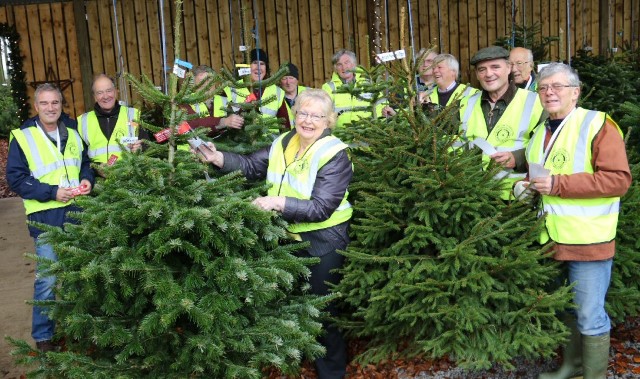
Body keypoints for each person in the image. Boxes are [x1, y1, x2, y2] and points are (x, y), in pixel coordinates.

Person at [194, 89, 352, 379]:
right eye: (302, 113)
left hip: (324, 241)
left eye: (316, 116)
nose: (307, 120)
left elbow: (321, 208)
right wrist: (218, 159)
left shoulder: (334, 153)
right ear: (294, 115)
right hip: (287, 237)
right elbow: (253, 165)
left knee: (322, 312)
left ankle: (332, 372)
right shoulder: (284, 141)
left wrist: (278, 203)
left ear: (328, 120)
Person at [521, 63, 631, 379]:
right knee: (564, 309)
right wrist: (525, 185)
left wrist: (558, 184)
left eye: (557, 86)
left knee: (589, 315)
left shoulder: (597, 124)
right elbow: (537, 176)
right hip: (550, 240)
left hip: (588, 243)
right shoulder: (540, 131)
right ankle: (572, 367)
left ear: (575, 92)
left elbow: (618, 181)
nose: (549, 92)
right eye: (543, 88)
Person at [6, 83, 95, 352]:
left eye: (55, 102)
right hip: (45, 215)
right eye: (44, 103)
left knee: (81, 274)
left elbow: (85, 163)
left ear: (61, 104)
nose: (50, 108)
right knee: (48, 278)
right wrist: (52, 192)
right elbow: (16, 179)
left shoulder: (71, 130)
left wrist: (86, 179)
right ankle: (44, 337)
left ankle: (81, 328)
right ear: (36, 106)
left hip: (77, 211)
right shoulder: (22, 136)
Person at [457, 45, 544, 200]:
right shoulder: (464, 104)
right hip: (471, 197)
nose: (488, 74)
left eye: (495, 67)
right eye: (482, 69)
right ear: (477, 74)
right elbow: (450, 144)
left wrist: (517, 158)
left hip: (516, 198)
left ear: (509, 68)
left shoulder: (535, 103)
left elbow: (548, 147)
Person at [213, 48, 291, 133]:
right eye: (254, 63)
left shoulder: (277, 91)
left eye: (262, 64)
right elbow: (219, 122)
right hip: (240, 144)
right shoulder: (231, 89)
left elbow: (285, 126)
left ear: (266, 68)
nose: (258, 68)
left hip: (270, 144)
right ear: (247, 66)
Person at [76, 74, 146, 166]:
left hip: (130, 177)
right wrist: (96, 168)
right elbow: (80, 158)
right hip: (97, 178)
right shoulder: (83, 121)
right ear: (94, 97)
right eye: (100, 93)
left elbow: (148, 145)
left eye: (109, 91)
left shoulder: (133, 115)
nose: (105, 96)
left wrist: (140, 148)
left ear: (116, 92)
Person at [322, 49, 383, 127]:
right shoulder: (328, 88)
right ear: (336, 68)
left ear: (354, 64)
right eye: (339, 64)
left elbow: (380, 106)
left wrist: (377, 128)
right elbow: (323, 113)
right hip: (339, 135)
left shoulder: (368, 84)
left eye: (347, 62)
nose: (344, 67)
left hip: (367, 134)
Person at [181, 65, 244, 136]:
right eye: (202, 81)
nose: (206, 85)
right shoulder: (185, 102)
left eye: (209, 80)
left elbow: (241, 115)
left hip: (224, 144)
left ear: (214, 82)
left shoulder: (226, 99)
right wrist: (222, 122)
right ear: (193, 85)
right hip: (196, 146)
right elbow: (193, 123)